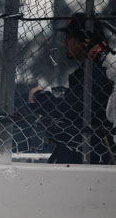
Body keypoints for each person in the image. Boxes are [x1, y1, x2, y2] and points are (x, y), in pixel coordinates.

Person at [29, 13, 115, 164]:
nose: (65, 42)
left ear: (83, 40)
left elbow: (71, 110)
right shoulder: (91, 71)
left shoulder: (97, 73)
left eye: (69, 37)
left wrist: (39, 97)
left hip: (95, 156)